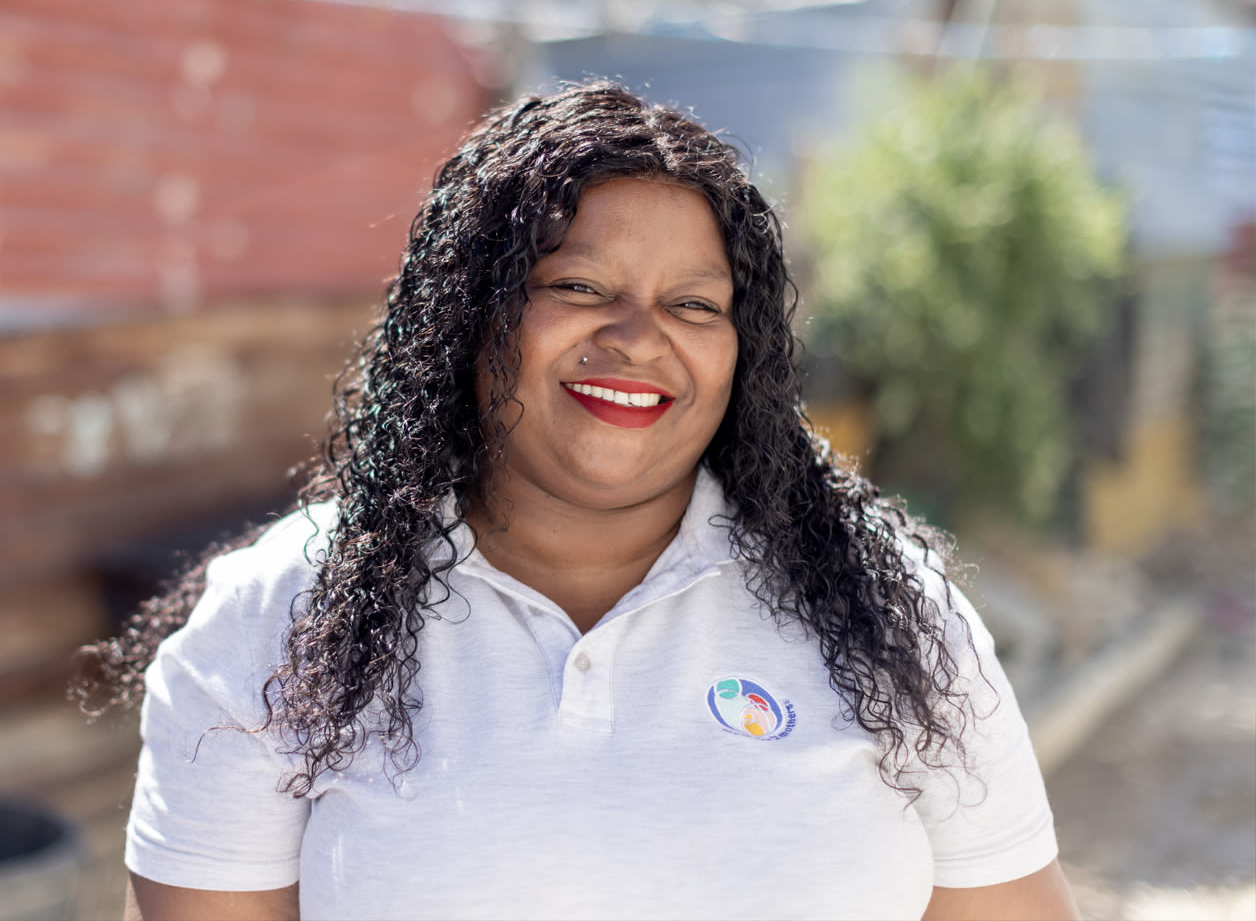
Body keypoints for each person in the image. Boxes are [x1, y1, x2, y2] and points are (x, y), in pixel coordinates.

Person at [83, 81, 1079, 920]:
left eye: (693, 305)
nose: (638, 338)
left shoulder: (881, 606)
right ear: (472, 315)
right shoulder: (285, 615)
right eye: (578, 287)